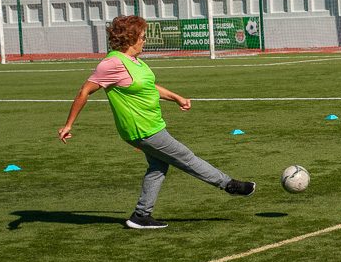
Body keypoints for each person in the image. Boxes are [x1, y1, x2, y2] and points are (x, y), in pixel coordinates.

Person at [58, 15, 256, 230]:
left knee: (158, 166)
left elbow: (150, 87)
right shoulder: (112, 63)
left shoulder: (137, 62)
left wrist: (176, 97)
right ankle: (229, 184)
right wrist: (69, 124)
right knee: (186, 158)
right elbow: (84, 91)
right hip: (142, 129)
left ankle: (141, 216)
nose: (144, 40)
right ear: (130, 38)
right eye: (142, 36)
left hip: (152, 124)